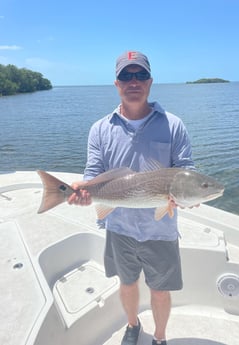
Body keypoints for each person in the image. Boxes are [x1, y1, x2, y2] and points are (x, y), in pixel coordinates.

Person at [68, 51, 195, 345]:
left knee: (160, 290)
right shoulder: (100, 129)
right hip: (119, 227)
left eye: (140, 75)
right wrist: (82, 191)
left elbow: (186, 169)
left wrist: (189, 194)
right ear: (117, 83)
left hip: (160, 230)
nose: (133, 81)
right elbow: (93, 173)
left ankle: (160, 337)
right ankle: (132, 324)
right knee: (126, 283)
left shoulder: (173, 124)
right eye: (126, 75)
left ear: (150, 81)